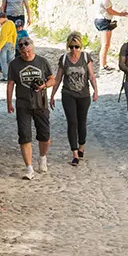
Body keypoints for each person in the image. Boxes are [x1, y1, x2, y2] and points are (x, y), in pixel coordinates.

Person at [7, 36, 55, 180]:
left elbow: (52, 79)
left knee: (45, 137)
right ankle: (29, 168)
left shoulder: (42, 62)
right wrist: (9, 102)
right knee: (24, 136)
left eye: (28, 51)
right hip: (23, 104)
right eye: (23, 53)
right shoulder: (14, 64)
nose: (26, 54)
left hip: (40, 103)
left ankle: (42, 157)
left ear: (32, 48)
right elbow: (10, 84)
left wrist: (44, 86)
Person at [50, 32, 99, 166]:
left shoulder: (85, 57)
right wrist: (52, 95)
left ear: (80, 46)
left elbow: (91, 75)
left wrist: (95, 90)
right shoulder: (64, 59)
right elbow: (58, 78)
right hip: (68, 94)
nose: (74, 50)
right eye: (71, 47)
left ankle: (81, 146)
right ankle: (75, 153)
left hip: (84, 95)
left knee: (82, 121)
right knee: (72, 122)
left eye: (76, 47)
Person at [92, 0, 128, 70]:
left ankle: (104, 64)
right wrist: (121, 14)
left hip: (99, 20)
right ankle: (103, 65)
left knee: (105, 44)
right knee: (105, 45)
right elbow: (110, 11)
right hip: (104, 21)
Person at [0, 11, 17, 82]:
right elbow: (15, 35)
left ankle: (6, 77)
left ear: (1, 18)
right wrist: (13, 44)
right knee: (11, 61)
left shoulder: (5, 26)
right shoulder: (12, 23)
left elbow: (4, 38)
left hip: (4, 45)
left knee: (3, 61)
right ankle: (13, 76)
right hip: (11, 44)